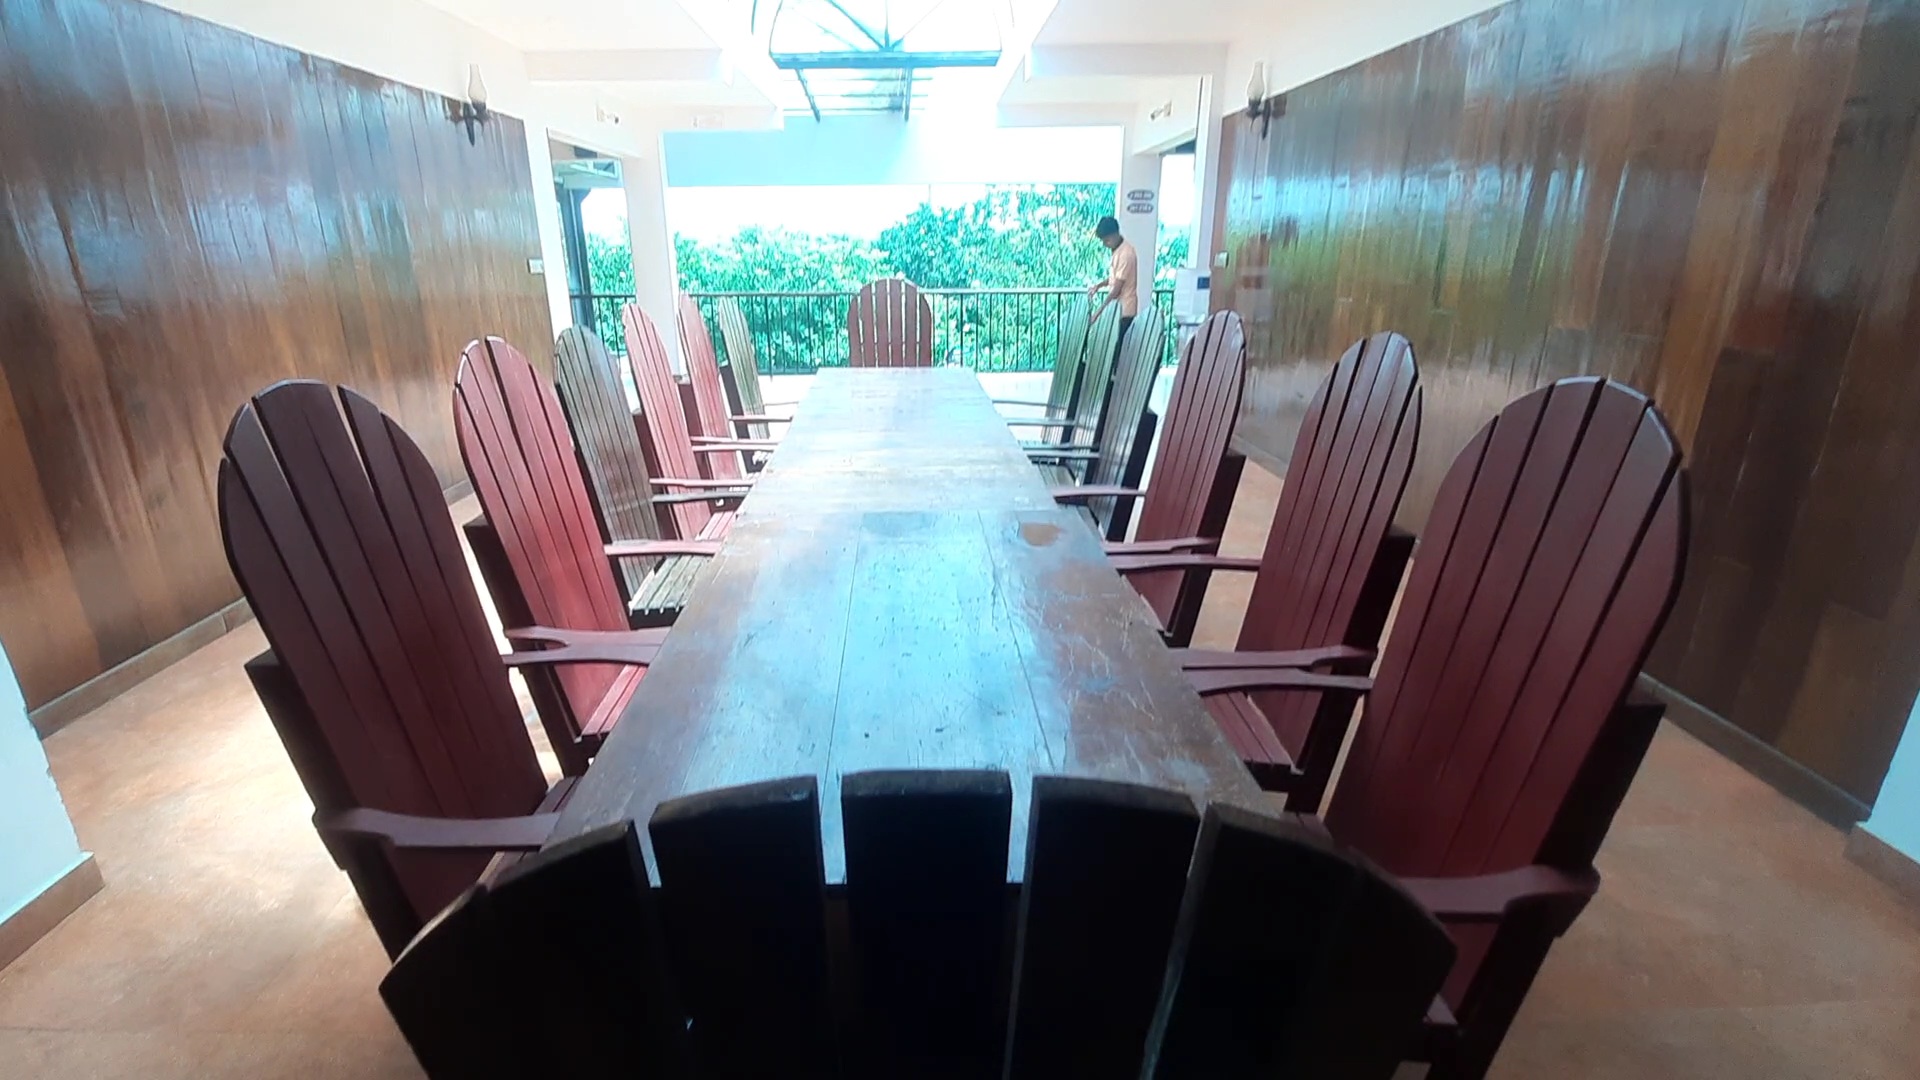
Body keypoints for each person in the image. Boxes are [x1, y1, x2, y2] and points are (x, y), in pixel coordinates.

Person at [1087, 215, 1139, 342]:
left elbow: (1116, 290)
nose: (1105, 244)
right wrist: (1098, 286)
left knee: (1117, 350)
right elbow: (1114, 278)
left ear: (1116, 234)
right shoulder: (1118, 250)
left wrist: (1098, 313)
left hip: (1125, 311)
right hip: (1117, 310)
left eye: (1107, 240)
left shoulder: (1126, 254)